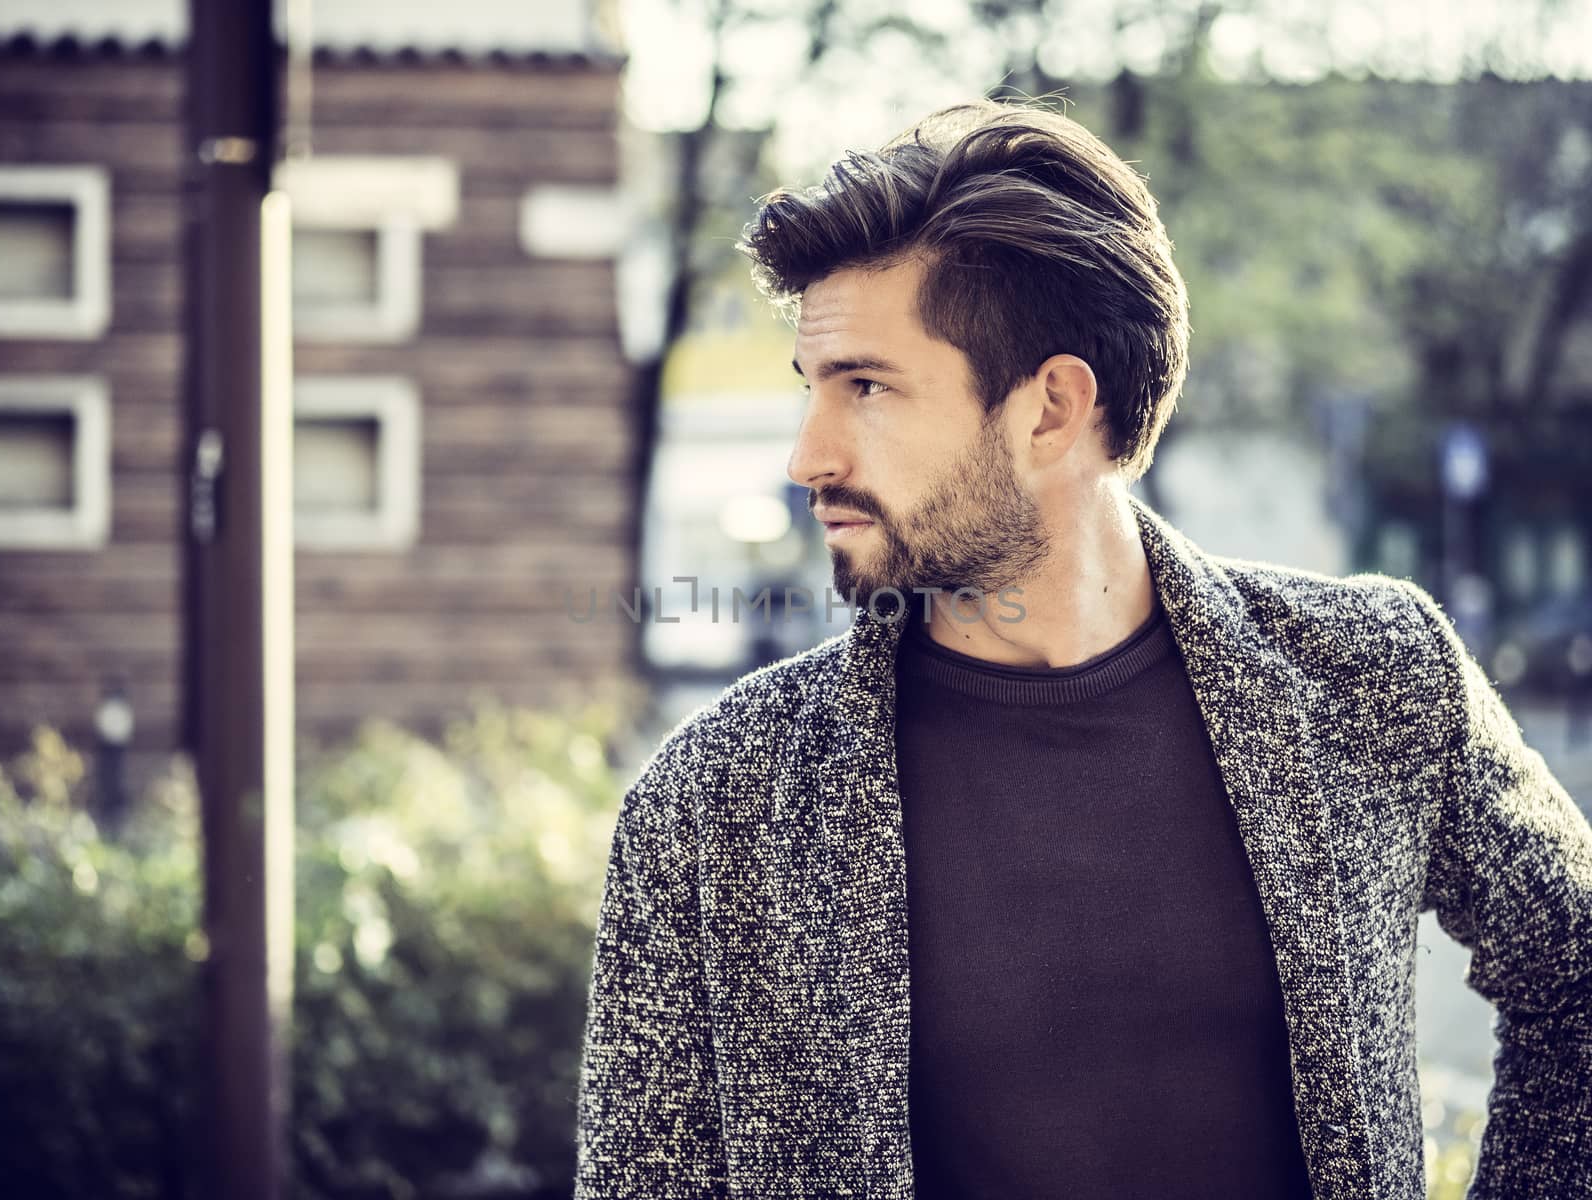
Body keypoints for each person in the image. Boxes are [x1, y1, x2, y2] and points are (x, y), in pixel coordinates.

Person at [571, 98, 1592, 1200]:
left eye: (865, 387)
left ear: (1051, 409)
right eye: (811, 389)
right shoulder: (717, 799)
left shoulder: (1368, 675)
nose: (808, 454)